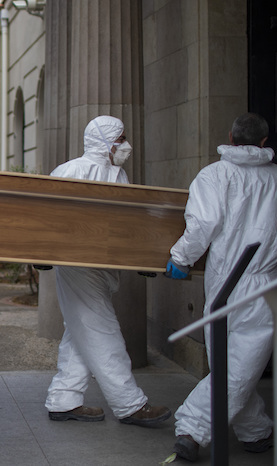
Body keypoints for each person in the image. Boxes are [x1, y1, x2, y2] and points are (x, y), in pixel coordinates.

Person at [164, 112, 277, 461]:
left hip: (223, 283)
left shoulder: (214, 175)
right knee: (236, 365)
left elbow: (202, 224)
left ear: (230, 138)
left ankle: (192, 428)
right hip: (263, 282)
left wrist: (181, 258)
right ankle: (256, 430)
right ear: (264, 143)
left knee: (234, 365)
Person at [45, 115, 171, 426]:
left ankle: (64, 398)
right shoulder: (70, 171)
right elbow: (45, 214)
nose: (127, 146)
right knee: (103, 331)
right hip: (77, 265)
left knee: (81, 330)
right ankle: (130, 405)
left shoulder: (119, 174)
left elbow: (126, 224)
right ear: (106, 142)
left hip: (103, 266)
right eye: (121, 139)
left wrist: (140, 257)